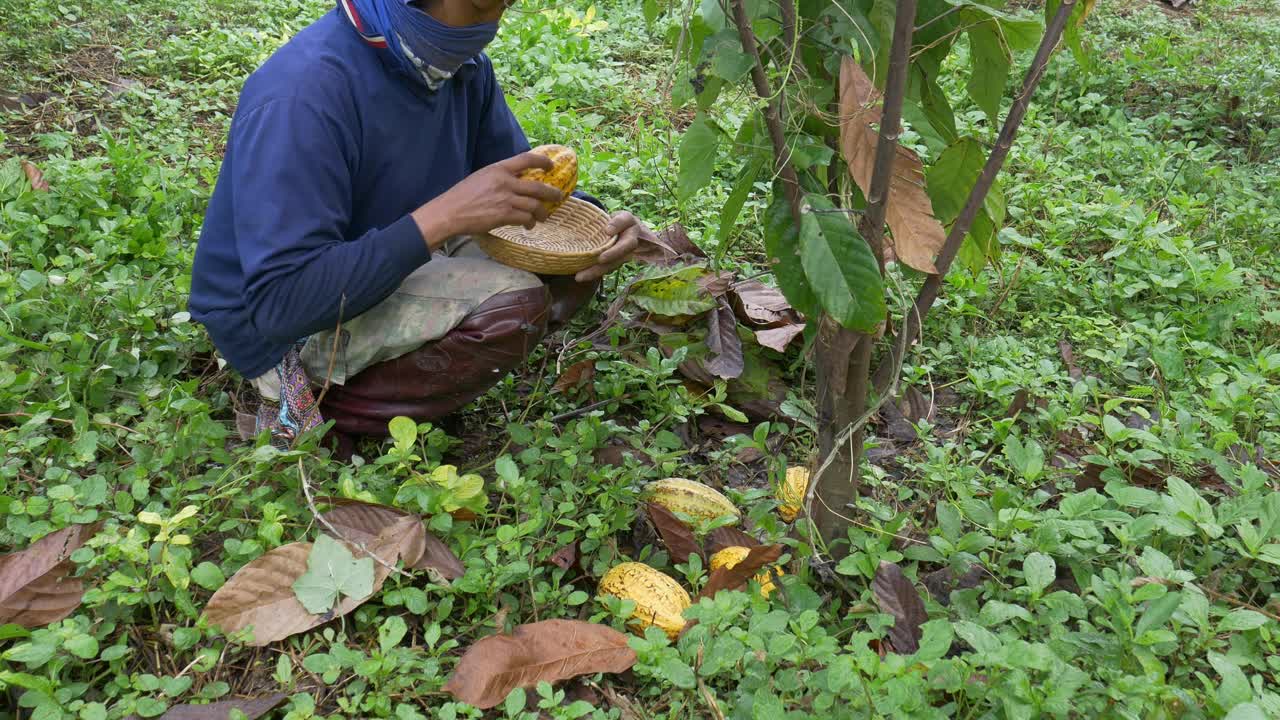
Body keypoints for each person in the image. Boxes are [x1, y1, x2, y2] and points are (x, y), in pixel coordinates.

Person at [188, 0, 657, 446]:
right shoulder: (303, 95)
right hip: (280, 321)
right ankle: (329, 405)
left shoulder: (456, 69)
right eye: (478, 7)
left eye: (503, 8)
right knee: (514, 306)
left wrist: (601, 226)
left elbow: (513, 187)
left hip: (384, 255)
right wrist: (445, 216)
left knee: (564, 267)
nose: (488, 26)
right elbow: (280, 304)